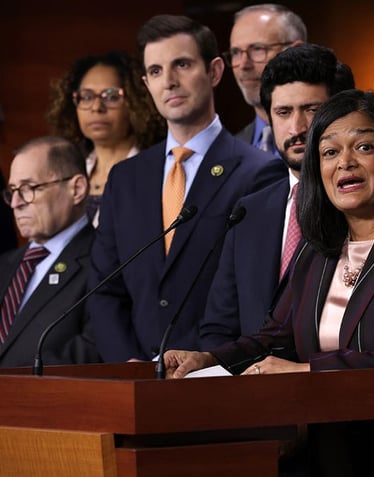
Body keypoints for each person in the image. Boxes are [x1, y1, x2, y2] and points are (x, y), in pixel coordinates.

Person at [165, 89, 374, 476]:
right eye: (330, 152)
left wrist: (308, 372)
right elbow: (275, 338)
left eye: (364, 146)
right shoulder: (317, 252)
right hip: (333, 457)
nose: (346, 163)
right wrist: (210, 360)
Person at [88, 15, 274, 362]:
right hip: (136, 378)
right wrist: (130, 364)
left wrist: (200, 360)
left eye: (182, 64)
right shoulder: (125, 179)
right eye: (156, 71)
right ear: (146, 84)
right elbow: (104, 290)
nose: (169, 82)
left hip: (213, 377)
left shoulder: (259, 172)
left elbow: (251, 295)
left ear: (215, 72)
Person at [201, 43, 355, 349]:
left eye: (312, 110)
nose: (297, 128)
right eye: (283, 112)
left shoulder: (363, 207)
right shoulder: (248, 212)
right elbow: (219, 329)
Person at [0, 136, 99, 366]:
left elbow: (92, 350)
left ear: (76, 189)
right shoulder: (5, 265)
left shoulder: (106, 262)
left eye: (28, 188)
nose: (16, 203)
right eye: (12, 190)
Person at [46, 51, 166, 226]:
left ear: (135, 103)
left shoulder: (158, 170)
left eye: (111, 96)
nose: (96, 107)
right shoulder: (67, 171)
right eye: (86, 96)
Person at [225, 4, 307, 155]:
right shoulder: (230, 151)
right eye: (236, 52)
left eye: (257, 49)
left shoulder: (334, 140)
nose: (243, 65)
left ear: (296, 52)